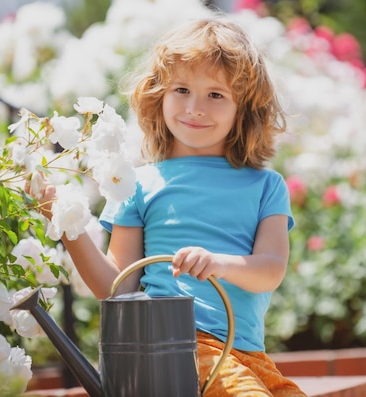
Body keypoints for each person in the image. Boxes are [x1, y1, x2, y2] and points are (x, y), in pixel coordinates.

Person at [30, 16, 307, 397]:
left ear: (243, 109)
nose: (195, 107)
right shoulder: (137, 184)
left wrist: (218, 262)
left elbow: (271, 269)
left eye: (215, 95)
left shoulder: (265, 186)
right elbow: (118, 287)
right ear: (158, 94)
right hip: (179, 350)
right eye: (181, 89)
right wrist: (63, 222)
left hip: (248, 355)